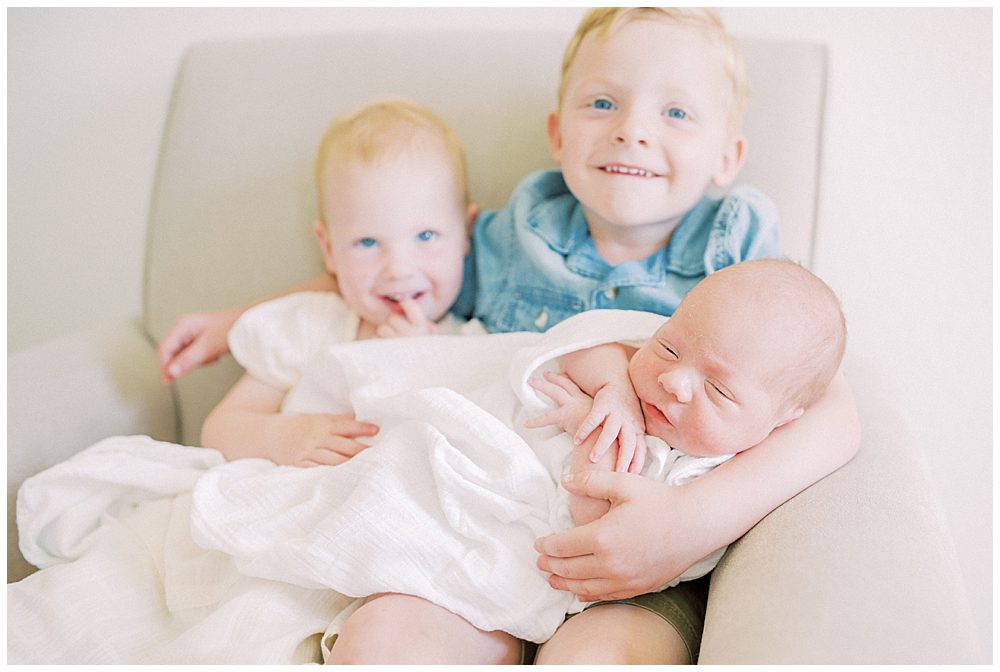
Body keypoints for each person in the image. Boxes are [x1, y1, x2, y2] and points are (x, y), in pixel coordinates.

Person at [158, 8, 860, 664]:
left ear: (727, 157)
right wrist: (239, 320)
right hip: (479, 532)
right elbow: (392, 274)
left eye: (675, 112)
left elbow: (830, 406)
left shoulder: (738, 268)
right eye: (602, 103)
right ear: (558, 133)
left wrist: (686, 524)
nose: (632, 130)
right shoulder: (509, 239)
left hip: (637, 563)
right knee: (382, 642)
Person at [200, 97, 481, 467]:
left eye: (426, 236)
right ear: (329, 248)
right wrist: (281, 437)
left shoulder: (470, 348)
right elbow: (219, 430)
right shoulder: (309, 327)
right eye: (367, 242)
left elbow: (477, 450)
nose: (398, 269)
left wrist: (423, 360)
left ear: (465, 232)